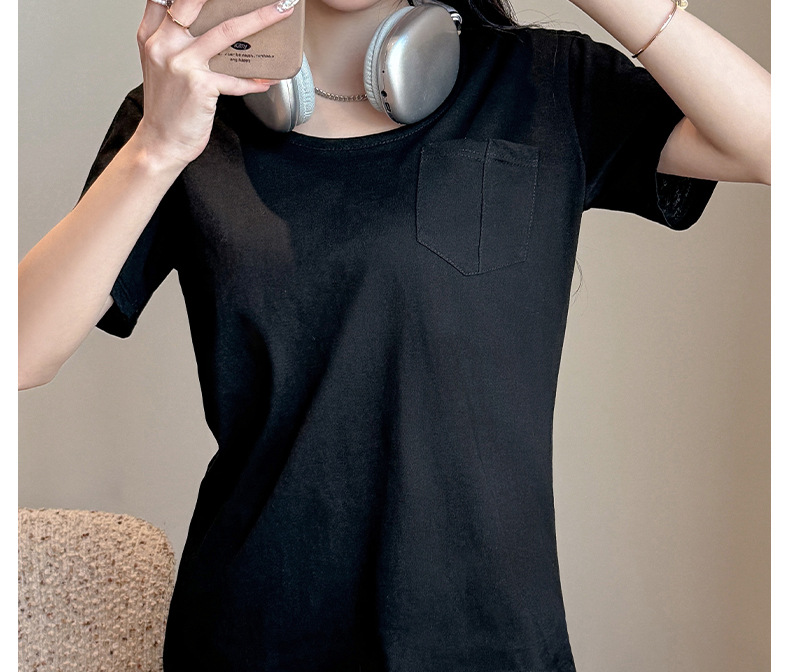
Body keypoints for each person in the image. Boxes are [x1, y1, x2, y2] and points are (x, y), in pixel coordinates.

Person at [18, 0, 770, 668]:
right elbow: (19, 352)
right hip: (253, 634)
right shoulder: (184, 110)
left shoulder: (545, 84)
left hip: (488, 639)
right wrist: (157, 146)